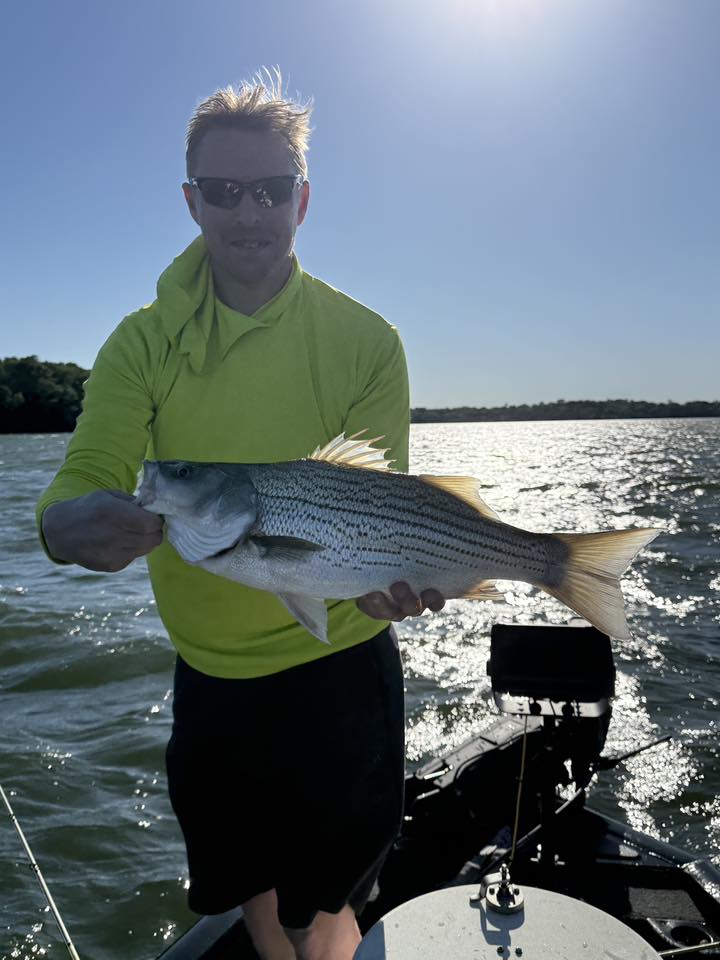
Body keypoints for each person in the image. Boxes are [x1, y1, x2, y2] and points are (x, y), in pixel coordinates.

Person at [36, 71, 444, 960]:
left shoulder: (367, 341)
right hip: (210, 679)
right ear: (192, 202)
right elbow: (88, 473)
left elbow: (380, 504)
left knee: (322, 905)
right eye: (224, 191)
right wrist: (64, 526)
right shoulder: (141, 343)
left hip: (340, 668)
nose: (249, 211)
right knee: (246, 888)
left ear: (303, 200)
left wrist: (388, 583)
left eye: (271, 189)